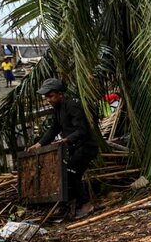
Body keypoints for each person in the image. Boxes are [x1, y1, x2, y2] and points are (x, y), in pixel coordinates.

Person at [27, 78, 99, 218]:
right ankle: (68, 205)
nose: (48, 100)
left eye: (51, 96)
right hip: (75, 148)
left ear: (60, 94)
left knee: (71, 173)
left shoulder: (72, 105)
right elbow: (54, 128)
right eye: (47, 97)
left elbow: (82, 130)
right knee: (66, 173)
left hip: (85, 147)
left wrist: (66, 140)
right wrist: (40, 143)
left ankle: (86, 204)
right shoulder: (58, 109)